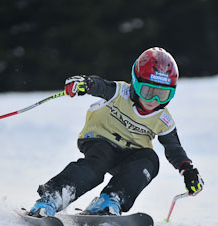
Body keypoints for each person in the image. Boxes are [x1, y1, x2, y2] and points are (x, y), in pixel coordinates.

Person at [29, 47, 203, 217]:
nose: (153, 101)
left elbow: (174, 148)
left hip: (129, 154)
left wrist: (187, 170)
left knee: (150, 159)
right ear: (135, 83)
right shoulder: (120, 93)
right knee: (98, 163)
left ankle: (111, 199)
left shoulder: (163, 119)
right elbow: (99, 85)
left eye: (162, 95)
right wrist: (85, 84)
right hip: (100, 140)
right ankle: (52, 197)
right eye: (148, 91)